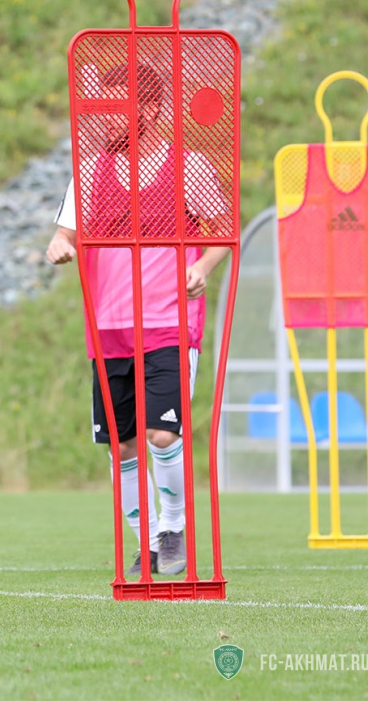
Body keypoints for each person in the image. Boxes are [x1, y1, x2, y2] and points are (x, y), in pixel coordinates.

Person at [45, 62, 230, 578]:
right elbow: (63, 233)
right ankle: (148, 542)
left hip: (170, 323)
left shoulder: (188, 167)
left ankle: (173, 526)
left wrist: (201, 268)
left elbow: (221, 232)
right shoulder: (89, 174)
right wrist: (58, 246)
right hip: (109, 330)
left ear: (149, 108)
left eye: (116, 107)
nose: (105, 117)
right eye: (101, 107)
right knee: (122, 445)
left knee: (162, 436)